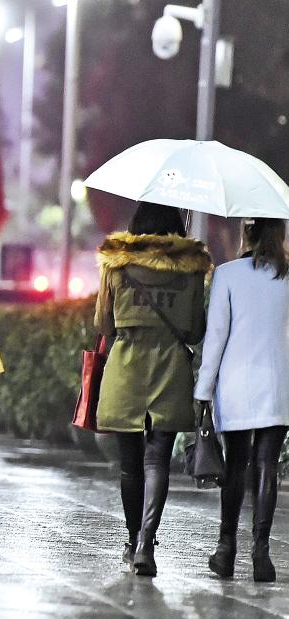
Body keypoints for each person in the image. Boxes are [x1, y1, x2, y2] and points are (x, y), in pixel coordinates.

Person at [95, 201, 210, 576]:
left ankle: (132, 540)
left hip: (126, 365)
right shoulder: (192, 269)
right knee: (157, 459)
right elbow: (194, 330)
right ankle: (147, 542)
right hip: (170, 367)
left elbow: (104, 324)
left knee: (130, 465)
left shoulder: (117, 264)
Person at [195, 218, 289, 583]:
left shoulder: (228, 274)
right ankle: (261, 553)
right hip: (278, 383)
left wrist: (202, 390)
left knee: (235, 465)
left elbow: (216, 337)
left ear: (246, 233)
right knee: (268, 464)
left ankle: (226, 549)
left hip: (235, 386)